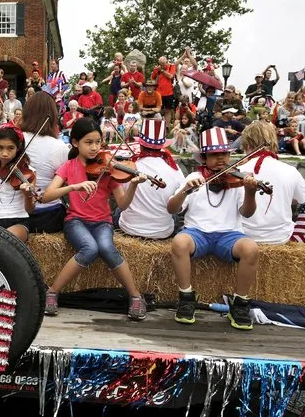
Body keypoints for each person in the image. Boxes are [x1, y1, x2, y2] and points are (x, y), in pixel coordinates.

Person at [41, 117, 148, 320]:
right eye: (88, 142)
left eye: (98, 142)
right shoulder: (69, 167)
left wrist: (133, 184)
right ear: (75, 143)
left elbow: (123, 205)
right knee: (90, 248)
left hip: (102, 222)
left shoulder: (107, 170)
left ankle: (135, 296)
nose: (94, 148)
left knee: (107, 248)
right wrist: (73, 186)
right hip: (76, 221)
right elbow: (47, 196)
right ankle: (53, 291)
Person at [167, 127, 260, 330]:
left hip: (229, 235)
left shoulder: (239, 178)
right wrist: (184, 191)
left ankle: (240, 304)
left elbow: (247, 213)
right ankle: (186, 297)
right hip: (197, 233)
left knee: (251, 248)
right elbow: (172, 209)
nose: (221, 159)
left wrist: (250, 192)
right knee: (179, 242)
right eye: (215, 155)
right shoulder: (193, 177)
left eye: (224, 154)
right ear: (204, 157)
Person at [238, 121, 305, 244]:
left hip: (244, 237)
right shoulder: (290, 170)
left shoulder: (238, 171)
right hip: (280, 237)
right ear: (273, 142)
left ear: (247, 144)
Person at [118, 119, 185, 239]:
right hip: (163, 232)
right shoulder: (175, 169)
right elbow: (179, 205)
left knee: (118, 211)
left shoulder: (129, 166)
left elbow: (122, 199)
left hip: (130, 229)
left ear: (140, 144)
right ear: (162, 146)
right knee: (174, 216)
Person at [20, 92, 68, 233]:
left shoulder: (14, 140)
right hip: (50, 216)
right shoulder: (61, 147)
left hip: (18, 214)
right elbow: (65, 182)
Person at [151, 56, 177, 125]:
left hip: (169, 93)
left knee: (168, 110)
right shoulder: (157, 68)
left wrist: (162, 70)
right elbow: (153, 78)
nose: (163, 66)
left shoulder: (172, 66)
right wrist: (155, 70)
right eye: (161, 64)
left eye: (164, 64)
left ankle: (167, 126)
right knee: (158, 110)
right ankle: (158, 125)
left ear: (167, 61)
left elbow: (171, 76)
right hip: (159, 93)